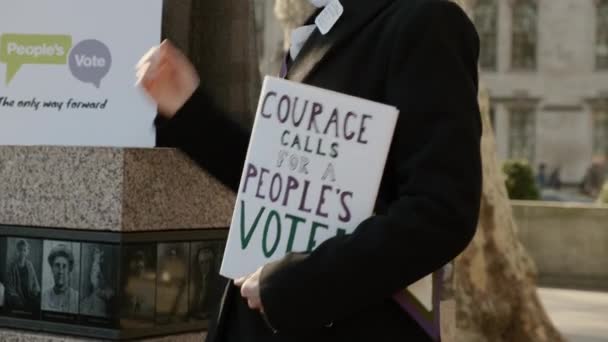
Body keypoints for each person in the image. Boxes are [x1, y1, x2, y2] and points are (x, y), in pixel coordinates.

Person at [137, 0, 482, 340]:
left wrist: (295, 284)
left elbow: (441, 212)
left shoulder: (426, 21)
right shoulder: (324, 27)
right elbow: (280, 182)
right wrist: (188, 109)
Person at [41, 244, 79, 313]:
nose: (60, 271)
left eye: (64, 266)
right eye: (57, 265)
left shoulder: (76, 298)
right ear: (52, 268)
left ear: (69, 270)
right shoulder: (44, 298)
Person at [5, 239, 40, 312]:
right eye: (20, 250)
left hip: (29, 295)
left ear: (27, 252)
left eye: (24, 250)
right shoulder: (12, 266)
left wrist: (35, 291)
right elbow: (9, 285)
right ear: (17, 251)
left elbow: (35, 281)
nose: (22, 253)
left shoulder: (29, 265)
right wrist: (15, 297)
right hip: (17, 297)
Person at [80, 247, 114, 317]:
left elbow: (105, 287)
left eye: (101, 257)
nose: (102, 260)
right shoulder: (96, 267)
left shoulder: (101, 270)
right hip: (96, 298)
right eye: (99, 257)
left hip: (99, 297)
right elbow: (94, 283)